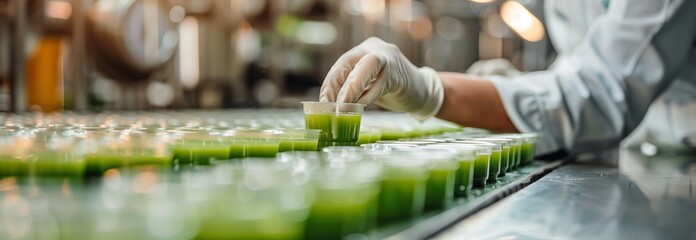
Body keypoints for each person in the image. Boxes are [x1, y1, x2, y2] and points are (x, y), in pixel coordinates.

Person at [319, 0, 696, 156]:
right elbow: (580, 62)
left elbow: (599, 93)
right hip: (628, 146)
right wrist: (516, 84)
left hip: (682, 154)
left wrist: (429, 91)